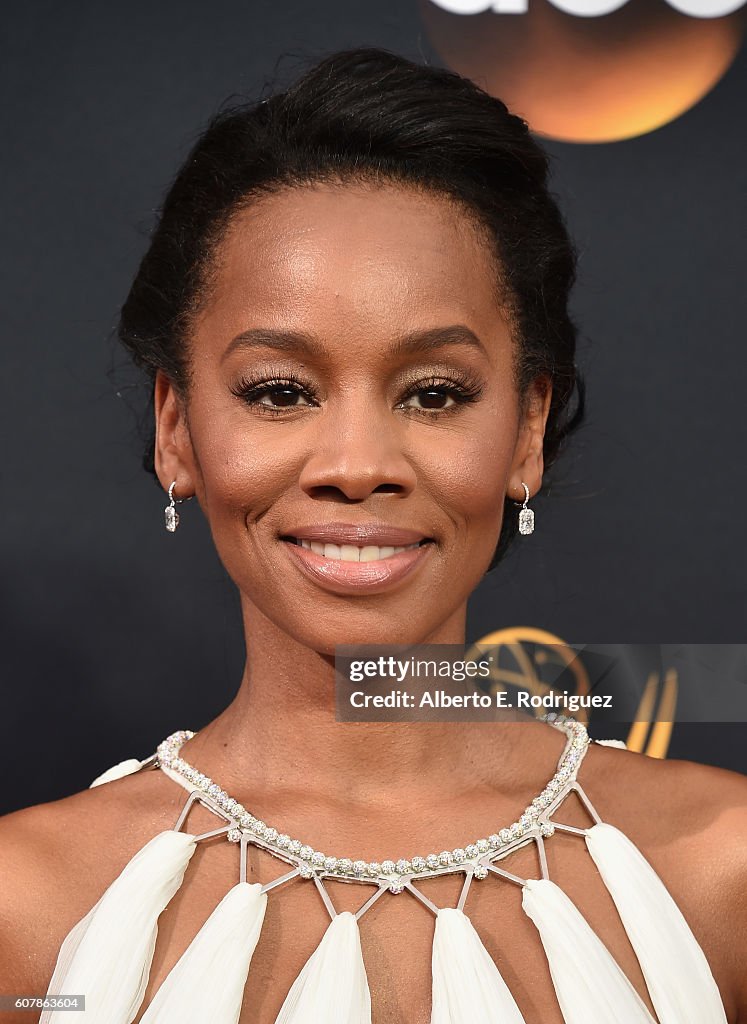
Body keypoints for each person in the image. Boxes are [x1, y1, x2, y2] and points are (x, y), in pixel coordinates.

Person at [1, 45, 745, 1024]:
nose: (357, 462)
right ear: (176, 429)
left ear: (526, 430)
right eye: (281, 391)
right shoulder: (29, 909)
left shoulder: (722, 869)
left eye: (434, 393)